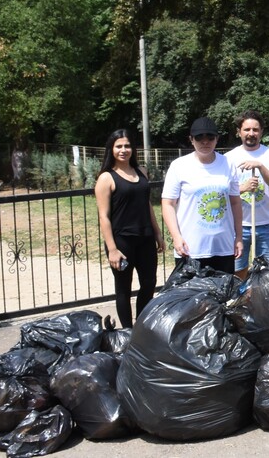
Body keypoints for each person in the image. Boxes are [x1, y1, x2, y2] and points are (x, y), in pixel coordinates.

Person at [94, 129, 165, 328]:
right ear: (111, 149)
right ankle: (127, 332)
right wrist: (113, 249)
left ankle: (141, 327)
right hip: (121, 241)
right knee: (124, 289)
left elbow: (147, 204)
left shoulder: (141, 171)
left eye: (127, 146)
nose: (123, 150)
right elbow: (103, 216)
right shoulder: (106, 178)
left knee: (149, 283)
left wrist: (158, 233)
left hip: (145, 238)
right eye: (119, 146)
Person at [161, 117, 243, 274]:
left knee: (221, 296)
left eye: (210, 137)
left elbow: (235, 203)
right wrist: (176, 237)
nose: (205, 142)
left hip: (223, 247)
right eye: (199, 137)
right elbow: (168, 204)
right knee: (191, 297)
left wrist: (238, 237)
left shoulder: (228, 164)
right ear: (191, 140)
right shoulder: (179, 166)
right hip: (191, 248)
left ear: (217, 139)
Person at [225, 110, 269, 274]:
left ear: (261, 132)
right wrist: (243, 188)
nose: (251, 133)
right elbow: (224, 192)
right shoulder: (229, 158)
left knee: (268, 271)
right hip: (239, 225)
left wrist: (260, 166)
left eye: (255, 130)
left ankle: (262, 300)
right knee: (238, 269)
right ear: (239, 132)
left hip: (266, 223)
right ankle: (240, 299)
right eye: (247, 129)